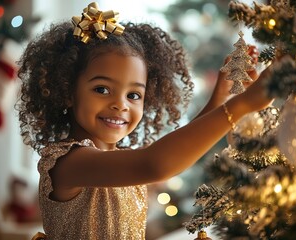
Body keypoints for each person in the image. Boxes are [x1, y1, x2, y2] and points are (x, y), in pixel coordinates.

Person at [17, 2, 272, 239]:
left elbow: (174, 153)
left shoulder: (121, 159)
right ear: (67, 91)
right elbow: (156, 163)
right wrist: (243, 105)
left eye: (134, 95)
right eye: (102, 89)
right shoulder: (67, 163)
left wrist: (220, 101)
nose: (121, 104)